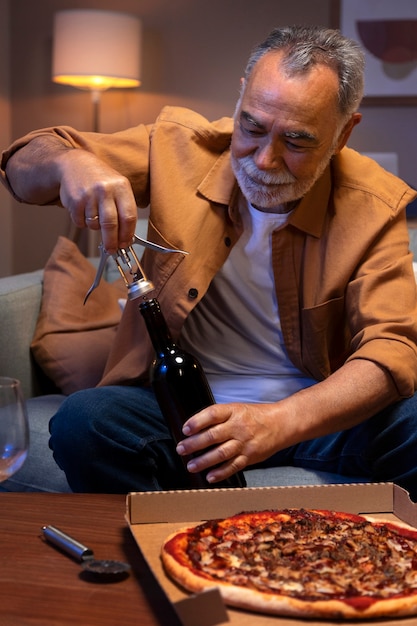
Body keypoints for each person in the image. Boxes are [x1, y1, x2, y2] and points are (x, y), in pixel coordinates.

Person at [2, 25, 417, 497]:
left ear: (344, 132)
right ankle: (174, 544)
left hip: (317, 417)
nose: (264, 160)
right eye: (252, 127)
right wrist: (69, 163)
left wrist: (278, 421)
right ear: (240, 99)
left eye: (297, 142)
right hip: (187, 412)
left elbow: (393, 350)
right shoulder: (179, 149)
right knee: (86, 421)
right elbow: (20, 166)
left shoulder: (375, 202)